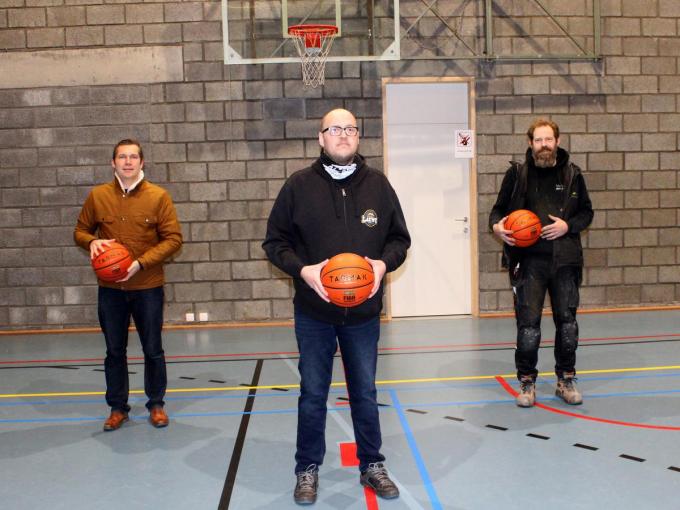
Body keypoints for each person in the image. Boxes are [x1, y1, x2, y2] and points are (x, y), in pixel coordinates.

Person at [263, 108, 411, 505]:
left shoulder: (378, 185)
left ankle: (372, 464)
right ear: (321, 137)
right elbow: (274, 243)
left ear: (358, 137)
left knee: (364, 390)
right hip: (314, 313)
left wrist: (381, 265)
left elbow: (400, 240)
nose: (343, 135)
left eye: (350, 129)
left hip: (362, 315)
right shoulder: (298, 186)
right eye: (335, 129)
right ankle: (306, 468)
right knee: (313, 392)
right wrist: (304, 271)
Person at [74, 139, 182, 431]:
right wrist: (93, 241)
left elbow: (173, 239)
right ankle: (117, 407)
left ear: (142, 162)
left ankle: (156, 404)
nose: (128, 161)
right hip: (111, 290)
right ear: (113, 163)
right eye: (122, 157)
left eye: (133, 157)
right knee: (114, 351)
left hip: (147, 286)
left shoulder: (159, 197)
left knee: (153, 349)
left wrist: (141, 262)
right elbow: (80, 231)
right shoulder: (98, 197)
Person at [489, 119, 593, 408]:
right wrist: (497, 227)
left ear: (557, 142)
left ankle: (566, 379)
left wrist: (567, 226)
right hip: (529, 262)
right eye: (538, 140)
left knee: (568, 324)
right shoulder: (517, 174)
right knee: (529, 327)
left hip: (565, 261)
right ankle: (526, 382)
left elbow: (587, 213)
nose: (544, 145)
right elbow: (497, 210)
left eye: (549, 139)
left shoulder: (573, 174)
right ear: (530, 143)